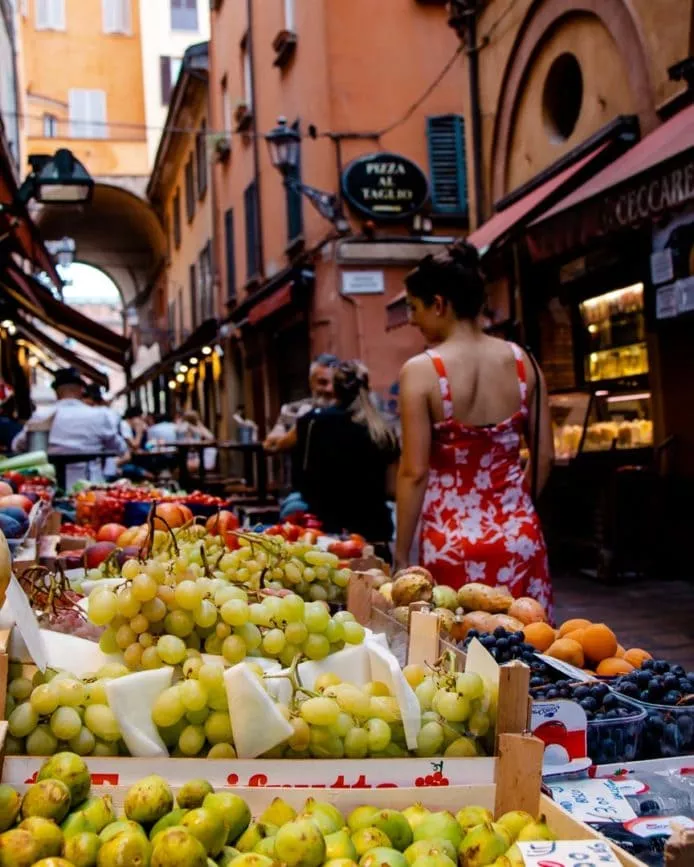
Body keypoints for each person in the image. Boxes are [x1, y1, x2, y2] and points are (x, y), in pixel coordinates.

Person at [394, 243, 553, 610]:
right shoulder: (523, 361)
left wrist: (401, 555)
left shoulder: (421, 371)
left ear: (439, 303)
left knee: (457, 650)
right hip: (519, 536)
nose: (413, 320)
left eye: (414, 308)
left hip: (450, 541)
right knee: (526, 646)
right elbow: (544, 457)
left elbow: (414, 472)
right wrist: (516, 513)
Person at [289, 360, 399, 557]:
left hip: (327, 537)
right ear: (367, 386)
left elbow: (300, 480)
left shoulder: (311, 422)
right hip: (374, 534)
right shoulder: (383, 430)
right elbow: (393, 489)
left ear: (334, 388)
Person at [12, 368, 126, 490]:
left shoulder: (41, 416)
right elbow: (120, 448)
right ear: (81, 390)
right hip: (91, 488)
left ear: (56, 392)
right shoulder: (99, 415)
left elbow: (17, 446)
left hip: (49, 488)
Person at [263, 353, 339, 452]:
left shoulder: (349, 410)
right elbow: (270, 445)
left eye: (335, 383)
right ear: (311, 382)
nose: (330, 389)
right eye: (322, 382)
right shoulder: (294, 409)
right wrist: (299, 431)